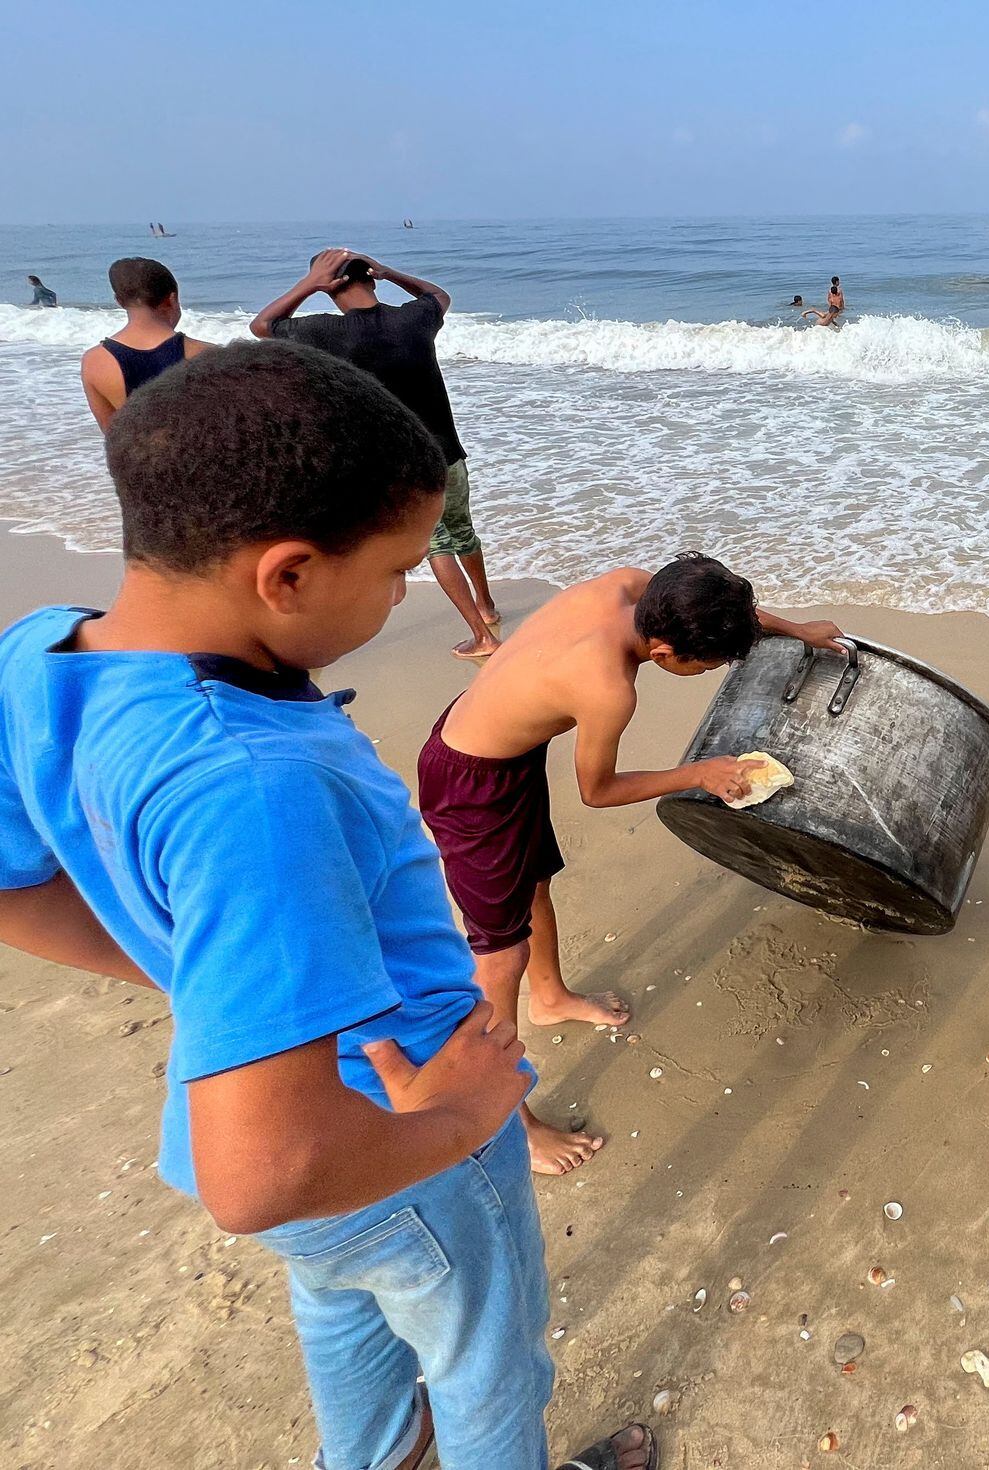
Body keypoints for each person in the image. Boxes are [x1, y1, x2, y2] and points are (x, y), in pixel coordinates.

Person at [0, 340, 652, 1470]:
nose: (404, 593)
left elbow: (12, 885)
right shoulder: (254, 789)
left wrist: (209, 978)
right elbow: (261, 1177)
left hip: (318, 1157)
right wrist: (457, 1120)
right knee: (489, 1370)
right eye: (397, 569)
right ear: (288, 575)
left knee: (343, 1308)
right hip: (391, 1134)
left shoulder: (41, 655)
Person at [416, 556, 842, 1174]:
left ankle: (553, 997)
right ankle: (507, 1122)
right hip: (470, 782)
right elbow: (600, 789)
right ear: (666, 651)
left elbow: (716, 610)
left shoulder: (629, 585)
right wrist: (700, 773)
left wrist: (796, 629)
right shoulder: (608, 688)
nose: (710, 672)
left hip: (502, 750)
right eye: (708, 665)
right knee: (498, 955)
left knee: (533, 880)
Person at [250, 247, 502, 660]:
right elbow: (439, 295)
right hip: (448, 452)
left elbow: (263, 325)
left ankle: (483, 636)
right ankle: (487, 607)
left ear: (332, 288)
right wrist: (391, 272)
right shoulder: (412, 320)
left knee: (438, 544)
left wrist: (310, 284)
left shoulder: (326, 333)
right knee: (463, 530)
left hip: (402, 466)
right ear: (370, 277)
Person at [79, 257, 215, 433]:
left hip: (137, 459)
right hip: (197, 458)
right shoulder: (205, 354)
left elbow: (112, 436)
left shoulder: (94, 361)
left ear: (119, 301)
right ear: (172, 299)